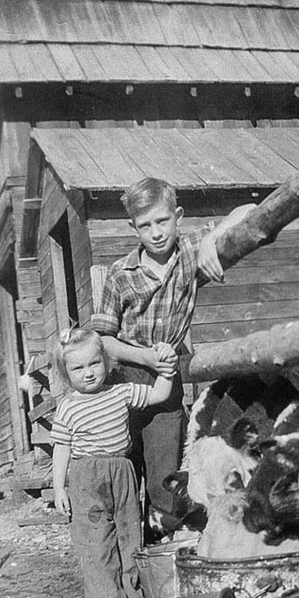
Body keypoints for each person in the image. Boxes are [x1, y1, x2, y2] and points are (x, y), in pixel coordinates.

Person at [90, 177, 255, 542]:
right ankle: (124, 541)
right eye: (145, 226)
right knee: (124, 462)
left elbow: (250, 211)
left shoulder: (189, 252)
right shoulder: (121, 273)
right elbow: (103, 339)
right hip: (124, 375)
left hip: (166, 377)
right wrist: (144, 355)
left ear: (178, 216)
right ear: (133, 228)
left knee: (166, 465)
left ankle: (163, 537)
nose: (156, 233)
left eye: (163, 221)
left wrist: (213, 239)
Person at [51, 326, 176, 598]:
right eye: (78, 368)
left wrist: (167, 367)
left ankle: (134, 597)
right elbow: (62, 448)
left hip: (122, 471)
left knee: (129, 532)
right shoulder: (68, 407)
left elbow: (159, 395)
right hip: (86, 477)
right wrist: (58, 488)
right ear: (66, 373)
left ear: (106, 362)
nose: (88, 373)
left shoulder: (121, 393)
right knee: (96, 542)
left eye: (94, 363)